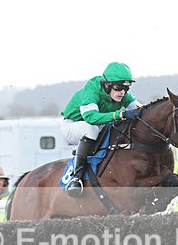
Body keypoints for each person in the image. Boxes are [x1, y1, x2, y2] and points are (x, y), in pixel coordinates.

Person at [60, 62, 142, 197]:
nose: (122, 92)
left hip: (97, 125)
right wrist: (120, 114)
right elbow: (90, 117)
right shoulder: (92, 89)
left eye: (126, 88)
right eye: (119, 87)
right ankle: (76, 178)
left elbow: (141, 111)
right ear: (106, 84)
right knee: (91, 129)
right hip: (72, 125)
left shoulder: (122, 94)